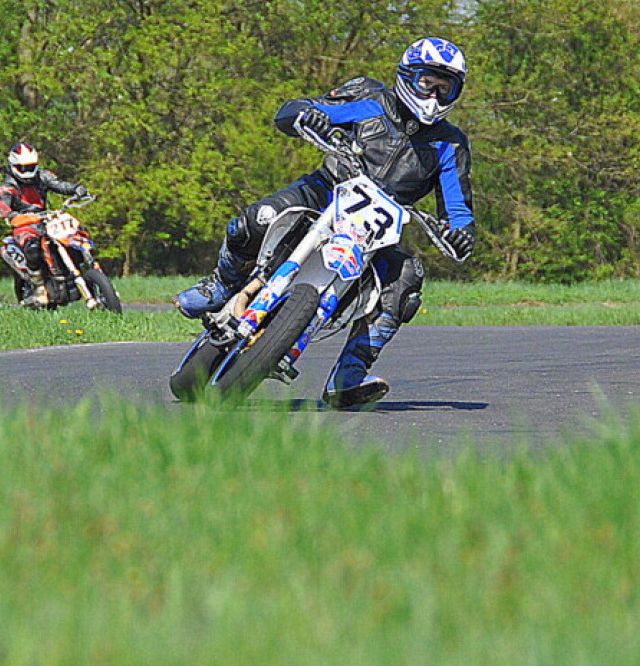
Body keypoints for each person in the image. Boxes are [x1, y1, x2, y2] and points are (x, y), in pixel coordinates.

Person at [174, 37, 475, 408]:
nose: (434, 95)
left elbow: (458, 209)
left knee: (406, 280)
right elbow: (297, 111)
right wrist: (307, 114)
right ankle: (221, 285)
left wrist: (461, 233)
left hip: (376, 230)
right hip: (324, 192)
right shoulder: (369, 98)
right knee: (251, 222)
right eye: (428, 83)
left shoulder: (451, 144)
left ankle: (348, 377)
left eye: (446, 88)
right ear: (407, 76)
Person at [0, 142, 89, 307]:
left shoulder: (42, 176)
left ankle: (84, 267)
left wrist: (76, 189)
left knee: (75, 233)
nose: (27, 171)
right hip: (24, 224)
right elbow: (3, 203)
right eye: (23, 168)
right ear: (14, 166)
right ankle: (39, 287)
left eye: (31, 166)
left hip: (46, 219)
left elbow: (59, 185)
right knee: (33, 247)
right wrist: (7, 213)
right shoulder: (9, 185)